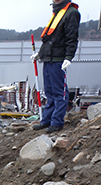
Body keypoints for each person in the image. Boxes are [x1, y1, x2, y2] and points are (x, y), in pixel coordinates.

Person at [31, 0, 81, 133]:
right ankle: (47, 120)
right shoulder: (57, 12)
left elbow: (72, 38)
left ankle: (57, 122)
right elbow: (49, 38)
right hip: (48, 59)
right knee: (49, 92)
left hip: (58, 60)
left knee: (59, 93)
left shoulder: (71, 13)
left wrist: (68, 58)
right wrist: (40, 54)